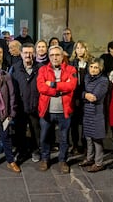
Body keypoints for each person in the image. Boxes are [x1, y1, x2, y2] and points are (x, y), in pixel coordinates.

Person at [37, 45, 77, 173]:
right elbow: (41, 87)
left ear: (62, 56)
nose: (55, 57)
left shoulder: (71, 69)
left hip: (64, 111)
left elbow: (71, 85)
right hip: (47, 110)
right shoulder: (43, 69)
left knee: (64, 138)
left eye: (57, 55)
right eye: (52, 55)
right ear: (49, 57)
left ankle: (62, 160)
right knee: (44, 137)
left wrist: (53, 84)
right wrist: (58, 91)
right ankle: (45, 158)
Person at [10, 43, 41, 163]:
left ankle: (35, 150)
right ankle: (22, 151)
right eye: (25, 52)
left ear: (33, 53)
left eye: (30, 52)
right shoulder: (15, 68)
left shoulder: (40, 68)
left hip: (35, 105)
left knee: (36, 131)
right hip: (20, 106)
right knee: (20, 131)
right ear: (21, 54)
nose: (28, 55)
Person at [79, 58, 109, 172]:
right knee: (88, 137)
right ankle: (89, 158)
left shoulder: (103, 81)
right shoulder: (86, 77)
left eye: (96, 67)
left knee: (97, 138)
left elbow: (94, 97)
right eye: (91, 67)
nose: (93, 69)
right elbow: (80, 92)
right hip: (87, 112)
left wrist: (84, 95)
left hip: (97, 113)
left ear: (100, 68)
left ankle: (99, 162)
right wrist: (85, 95)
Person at [69, 40, 93, 154]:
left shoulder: (91, 62)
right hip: (74, 96)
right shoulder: (72, 62)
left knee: (85, 122)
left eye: (82, 48)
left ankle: (84, 145)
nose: (79, 50)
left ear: (86, 49)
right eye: (77, 48)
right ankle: (74, 144)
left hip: (87, 95)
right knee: (74, 122)